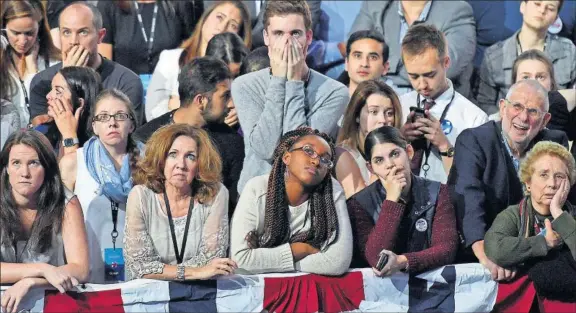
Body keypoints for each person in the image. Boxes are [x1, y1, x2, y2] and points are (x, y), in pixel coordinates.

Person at [448, 79, 569, 278]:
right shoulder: (474, 141)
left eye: (533, 112)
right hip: (482, 254)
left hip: (539, 253)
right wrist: (486, 256)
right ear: (503, 107)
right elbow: (467, 201)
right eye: (517, 106)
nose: (523, 117)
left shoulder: (554, 142)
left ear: (545, 120)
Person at [232, 0, 349, 194]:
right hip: (256, 197)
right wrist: (279, 80)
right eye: (278, 34)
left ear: (309, 37)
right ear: (266, 37)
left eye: (295, 33)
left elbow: (299, 152)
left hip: (306, 197)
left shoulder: (334, 92)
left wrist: (294, 82)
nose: (287, 43)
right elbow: (266, 149)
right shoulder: (244, 85)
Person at [230, 127, 353, 275]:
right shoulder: (256, 189)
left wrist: (267, 262)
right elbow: (241, 260)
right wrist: (299, 250)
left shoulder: (331, 190)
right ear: (287, 157)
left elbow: (337, 262)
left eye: (325, 159)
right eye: (308, 150)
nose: (316, 161)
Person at [125, 124, 235, 281]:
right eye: (173, 154)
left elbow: (212, 261)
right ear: (161, 160)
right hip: (150, 297)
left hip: (201, 294)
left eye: (190, 157)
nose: (181, 165)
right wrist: (194, 272)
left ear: (199, 165)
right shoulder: (141, 196)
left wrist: (164, 271)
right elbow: (139, 266)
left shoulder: (216, 194)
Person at [135, 57, 243, 213]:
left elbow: (232, 208)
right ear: (201, 101)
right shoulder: (146, 138)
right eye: (225, 96)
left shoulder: (232, 143)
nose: (231, 104)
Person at [59, 89, 143, 284]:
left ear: (131, 125)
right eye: (104, 117)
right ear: (94, 126)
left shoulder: (150, 163)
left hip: (137, 276)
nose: (112, 123)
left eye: (120, 116)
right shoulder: (73, 164)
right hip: (86, 275)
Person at [347, 126, 458, 273]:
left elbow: (446, 249)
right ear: (371, 168)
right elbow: (376, 260)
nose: (390, 164)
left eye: (394, 154)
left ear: (409, 152)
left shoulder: (438, 192)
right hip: (381, 293)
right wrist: (392, 200)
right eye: (379, 160)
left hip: (431, 289)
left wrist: (402, 261)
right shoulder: (359, 204)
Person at [0, 130, 89, 313]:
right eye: (16, 163)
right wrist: (42, 269)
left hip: (52, 301)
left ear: (47, 168)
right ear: (6, 169)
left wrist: (32, 282)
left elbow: (80, 269)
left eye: (34, 163)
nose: (24, 173)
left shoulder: (67, 203)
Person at [28, 2, 144, 128]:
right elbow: (45, 138)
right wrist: (65, 81)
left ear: (100, 36)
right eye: (66, 32)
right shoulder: (41, 83)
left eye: (83, 32)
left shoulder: (126, 82)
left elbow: (124, 136)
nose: (73, 41)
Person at [398, 24, 488, 184]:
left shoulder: (474, 119)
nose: (422, 84)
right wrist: (400, 138)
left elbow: (475, 181)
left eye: (429, 75)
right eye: (413, 76)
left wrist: (445, 146)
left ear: (446, 63)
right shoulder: (398, 106)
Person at [485, 141, 576, 298]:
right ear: (528, 183)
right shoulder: (513, 215)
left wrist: (558, 213)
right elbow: (495, 247)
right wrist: (544, 243)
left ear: (569, 183)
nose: (552, 184)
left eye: (559, 176)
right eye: (543, 175)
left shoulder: (572, 216)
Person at [144, 0, 251, 121]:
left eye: (233, 25)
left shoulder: (239, 69)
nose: (222, 27)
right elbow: (152, 112)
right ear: (205, 17)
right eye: (219, 17)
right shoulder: (170, 59)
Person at [348, 0, 476, 98]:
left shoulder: (456, 9)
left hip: (431, 101)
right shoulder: (376, 5)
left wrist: (384, 65)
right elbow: (353, 48)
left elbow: (448, 66)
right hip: (377, 96)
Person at [477, 0, 576, 115]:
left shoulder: (568, 51)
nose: (542, 10)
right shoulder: (494, 56)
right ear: (523, 6)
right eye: (537, 4)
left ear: (555, 18)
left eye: (550, 8)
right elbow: (485, 103)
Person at [96, 0, 203, 76]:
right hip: (124, 89)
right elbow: (106, 65)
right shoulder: (108, 5)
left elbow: (190, 51)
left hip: (169, 89)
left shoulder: (180, 4)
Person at [336, 80, 402, 198]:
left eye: (389, 113)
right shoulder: (343, 154)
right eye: (374, 112)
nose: (383, 119)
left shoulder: (400, 151)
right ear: (356, 115)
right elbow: (362, 208)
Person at [2, 0, 60, 129]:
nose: (22, 41)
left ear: (39, 29)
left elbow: (46, 109)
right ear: (4, 29)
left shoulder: (54, 63)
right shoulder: (2, 64)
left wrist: (33, 71)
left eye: (29, 33)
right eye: (16, 33)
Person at [42, 66, 102, 156]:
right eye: (51, 89)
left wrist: (69, 134)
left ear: (80, 103)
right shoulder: (41, 133)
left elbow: (72, 169)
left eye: (58, 91)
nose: (48, 96)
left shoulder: (99, 143)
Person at [343, 30, 390, 97]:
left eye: (373, 57)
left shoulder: (397, 105)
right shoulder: (331, 102)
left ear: (385, 67)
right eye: (357, 56)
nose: (364, 64)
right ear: (346, 63)